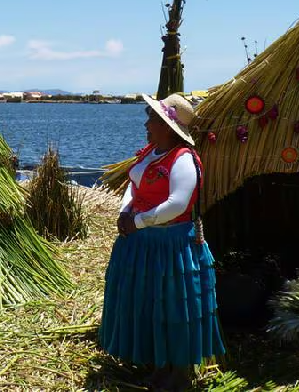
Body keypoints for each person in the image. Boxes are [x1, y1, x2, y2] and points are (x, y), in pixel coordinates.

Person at [99, 94, 225, 391]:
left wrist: (138, 221)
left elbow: (177, 204)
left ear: (167, 126)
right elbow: (134, 184)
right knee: (149, 303)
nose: (146, 123)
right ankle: (157, 364)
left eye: (152, 119)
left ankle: (178, 373)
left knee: (173, 306)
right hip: (142, 243)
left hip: (171, 246)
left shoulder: (183, 159)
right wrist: (124, 211)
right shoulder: (151, 152)